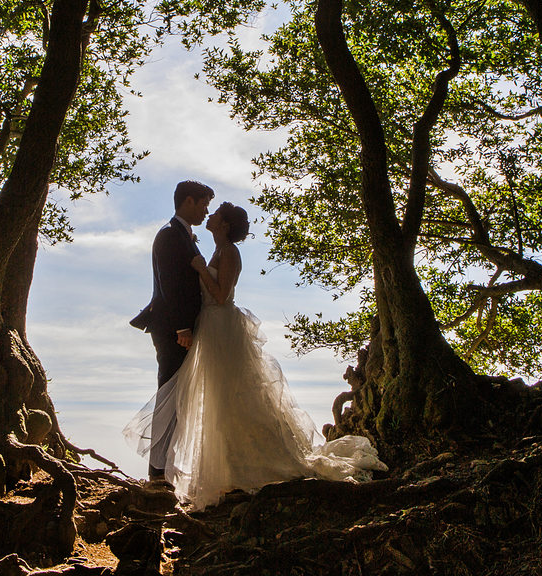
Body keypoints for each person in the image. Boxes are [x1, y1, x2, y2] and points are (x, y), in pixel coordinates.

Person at [125, 201, 387, 509]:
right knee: (218, 401)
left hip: (222, 329)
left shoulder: (230, 253)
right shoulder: (216, 251)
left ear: (224, 225)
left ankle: (248, 466)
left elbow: (221, 296)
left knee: (231, 398)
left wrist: (199, 269)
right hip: (210, 329)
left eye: (215, 214)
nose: (209, 216)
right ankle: (228, 467)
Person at [129, 180, 214, 480]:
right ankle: (157, 472)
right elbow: (170, 285)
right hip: (172, 329)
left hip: (182, 328)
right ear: (188, 202)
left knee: (178, 398)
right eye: (203, 204)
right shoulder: (168, 235)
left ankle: (167, 470)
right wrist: (182, 327)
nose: (206, 211)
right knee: (168, 396)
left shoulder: (184, 236)